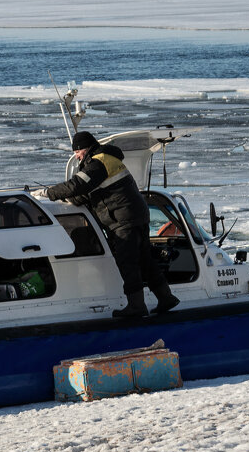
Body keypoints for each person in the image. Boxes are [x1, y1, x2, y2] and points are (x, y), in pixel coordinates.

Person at [37, 130, 178, 317]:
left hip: (123, 219)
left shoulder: (98, 162)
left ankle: (136, 306)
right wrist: (72, 199)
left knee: (128, 262)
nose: (76, 156)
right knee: (144, 260)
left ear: (84, 149)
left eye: (77, 152)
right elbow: (86, 193)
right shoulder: (107, 160)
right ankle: (165, 297)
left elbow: (77, 185)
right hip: (136, 214)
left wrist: (47, 193)